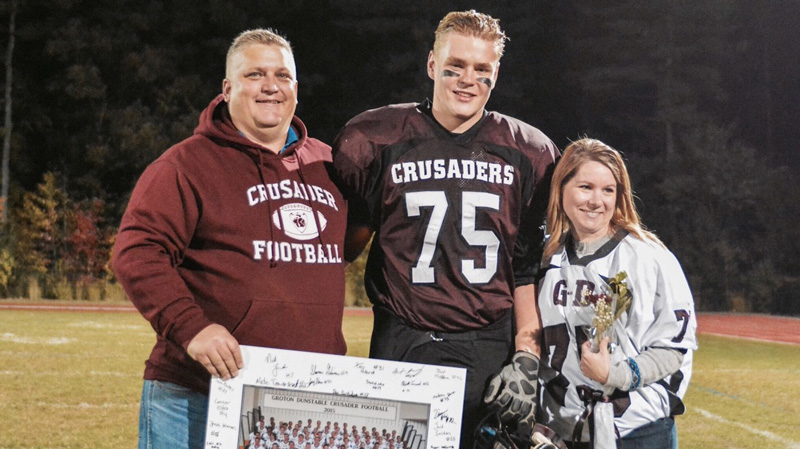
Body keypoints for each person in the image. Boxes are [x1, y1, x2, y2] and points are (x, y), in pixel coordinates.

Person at [331, 10, 559, 448]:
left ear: (496, 73)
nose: (466, 80)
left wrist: (528, 354)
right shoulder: (375, 139)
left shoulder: (529, 152)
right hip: (403, 339)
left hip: (489, 349)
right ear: (432, 64)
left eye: (480, 69)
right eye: (454, 66)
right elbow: (341, 249)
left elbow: (525, 266)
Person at [112, 28, 348, 449]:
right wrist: (193, 328)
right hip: (198, 394)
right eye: (255, 74)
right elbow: (138, 252)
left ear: (296, 87)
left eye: (282, 76)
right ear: (227, 88)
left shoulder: (330, 166)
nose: (271, 86)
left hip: (304, 400)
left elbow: (350, 243)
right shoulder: (186, 164)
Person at [533, 138, 697, 448]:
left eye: (608, 190)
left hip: (638, 431)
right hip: (563, 432)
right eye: (585, 187)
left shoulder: (648, 258)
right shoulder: (544, 259)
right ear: (561, 188)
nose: (597, 200)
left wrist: (618, 374)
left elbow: (674, 346)